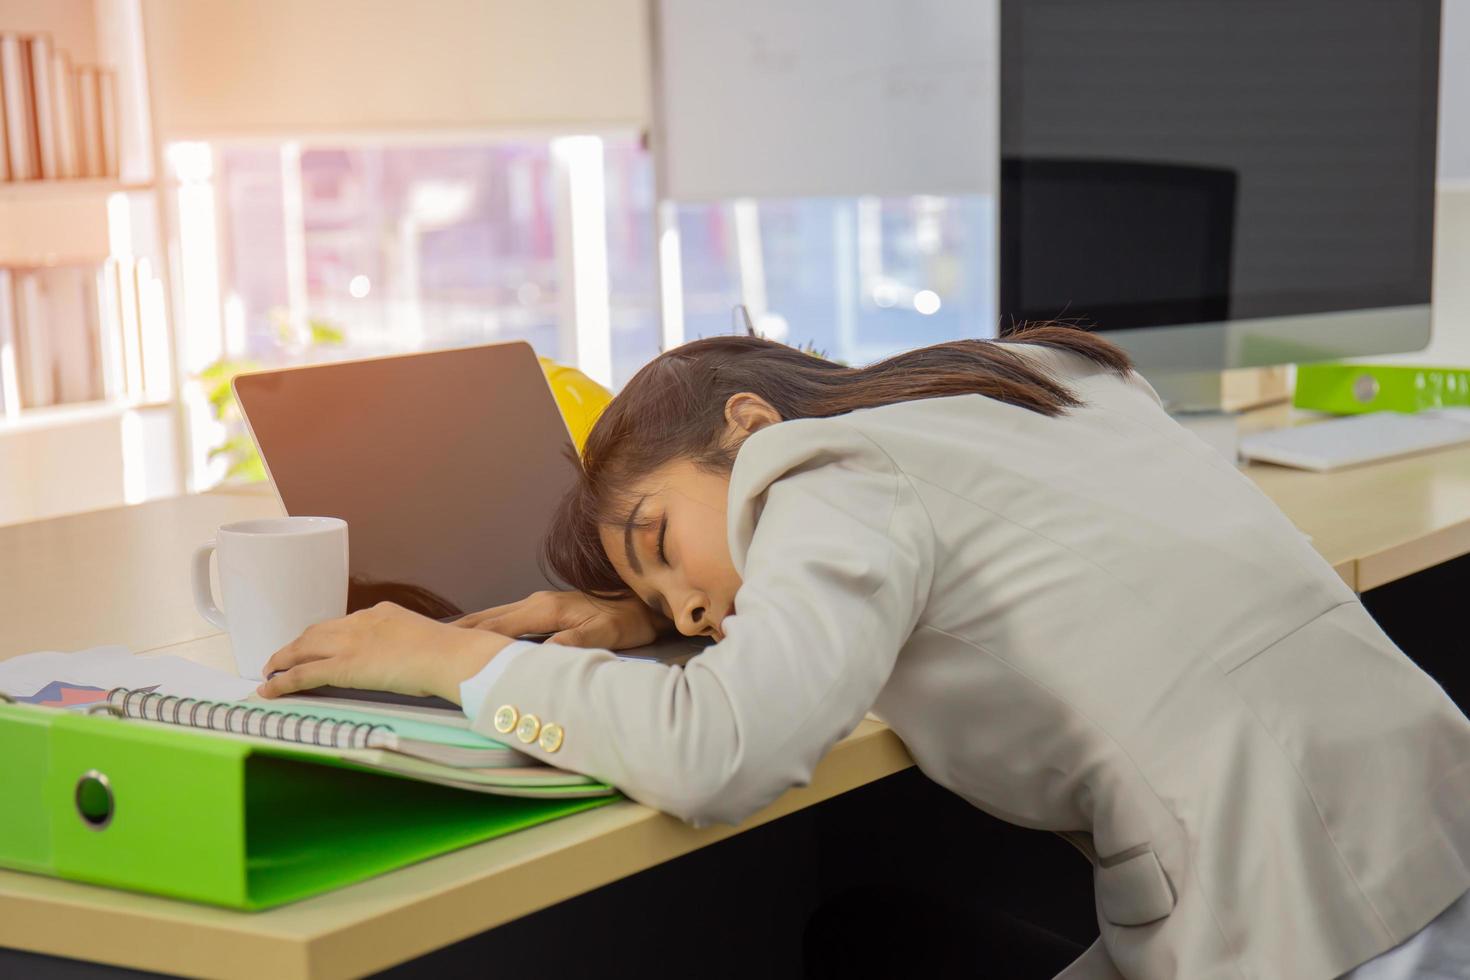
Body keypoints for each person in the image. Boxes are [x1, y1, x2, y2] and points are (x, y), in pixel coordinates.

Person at [258, 325, 1470, 979]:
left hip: (1311, 923)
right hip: (1424, 840)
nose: (691, 609)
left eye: (662, 542)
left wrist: (443, 658)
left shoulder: (819, 472)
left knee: (859, 930)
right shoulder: (1041, 382)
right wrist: (639, 607)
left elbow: (727, 750)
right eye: (669, 597)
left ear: (749, 425)